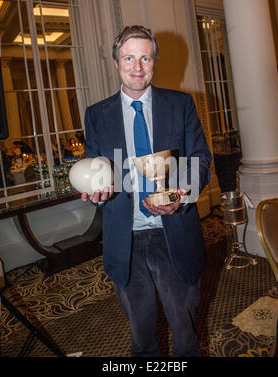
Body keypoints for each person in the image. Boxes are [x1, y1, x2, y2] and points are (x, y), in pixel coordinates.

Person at [81, 25, 212, 357]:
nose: (137, 67)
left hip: (174, 235)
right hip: (125, 241)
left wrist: (183, 191)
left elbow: (200, 158)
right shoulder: (97, 114)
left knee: (185, 333)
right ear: (116, 62)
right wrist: (95, 188)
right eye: (128, 58)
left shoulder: (180, 104)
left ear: (154, 62)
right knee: (142, 339)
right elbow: (94, 164)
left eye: (145, 58)